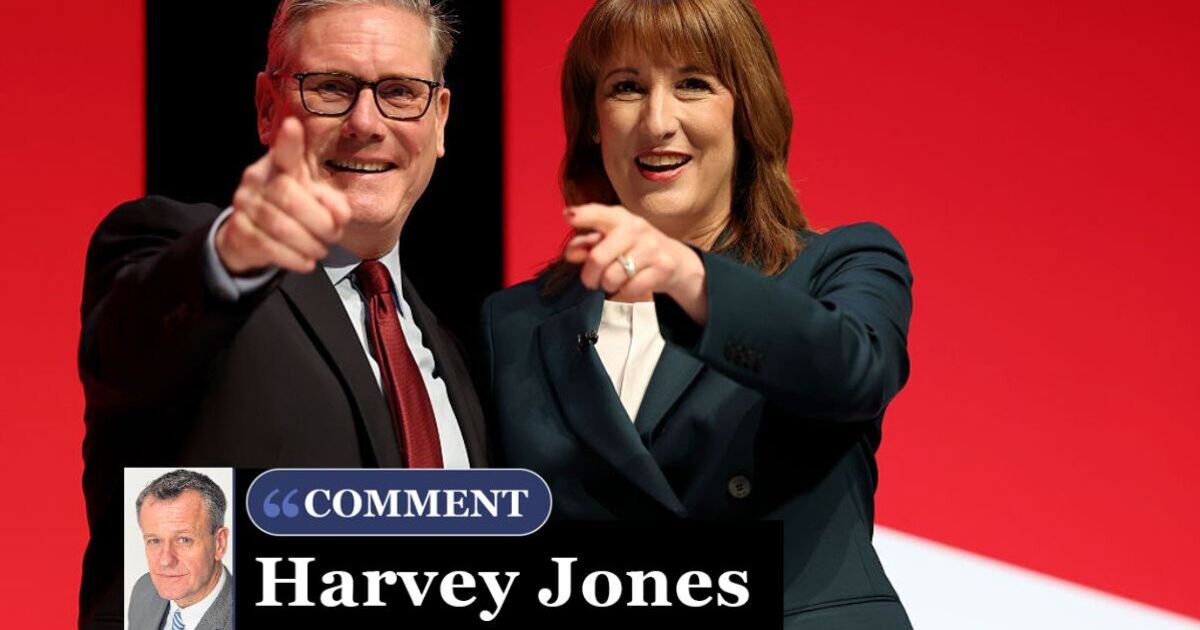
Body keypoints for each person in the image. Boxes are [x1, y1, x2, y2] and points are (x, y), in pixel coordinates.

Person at [480, 0, 913, 627]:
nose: (658, 121)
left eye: (693, 84)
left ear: (746, 110)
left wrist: (688, 276)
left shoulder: (841, 264)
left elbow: (854, 372)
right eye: (626, 88)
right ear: (594, 122)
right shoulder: (513, 323)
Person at [78, 1, 487, 627]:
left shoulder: (449, 356)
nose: (365, 122)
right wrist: (230, 258)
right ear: (268, 107)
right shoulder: (184, 256)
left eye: (401, 93)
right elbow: (129, 348)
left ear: (440, 120)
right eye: (331, 88)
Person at [129, 470, 232, 630]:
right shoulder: (144, 590)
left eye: (184, 540)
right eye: (154, 541)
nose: (166, 560)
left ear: (219, 543)